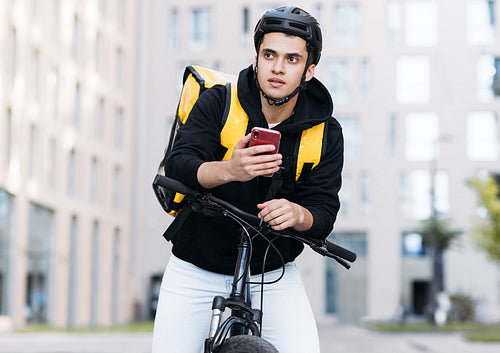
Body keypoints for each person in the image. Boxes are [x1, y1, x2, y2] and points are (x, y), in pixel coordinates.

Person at [152, 6, 344, 353]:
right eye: (269, 54)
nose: (278, 67)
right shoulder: (220, 100)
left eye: (292, 59)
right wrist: (230, 170)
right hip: (195, 267)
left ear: (309, 70)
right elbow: (179, 163)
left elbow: (324, 211)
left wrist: (298, 215)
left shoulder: (325, 133)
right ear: (256, 59)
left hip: (273, 273)